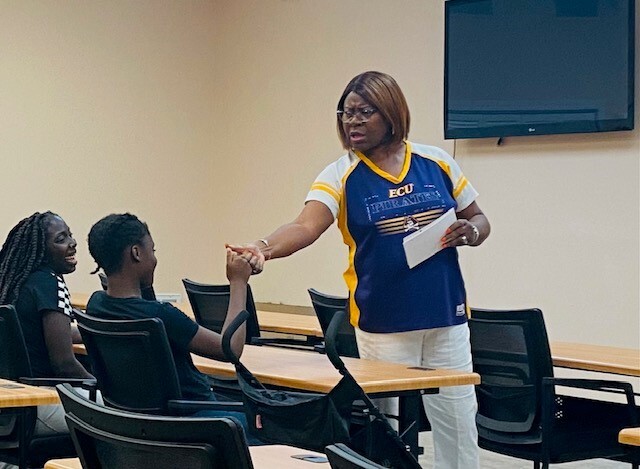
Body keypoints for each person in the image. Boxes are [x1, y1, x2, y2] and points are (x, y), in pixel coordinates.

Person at [229, 71, 490, 469]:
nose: (352, 122)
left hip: (445, 317)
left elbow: (480, 219)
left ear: (391, 114)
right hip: (383, 324)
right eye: (346, 113)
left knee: (457, 425)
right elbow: (304, 226)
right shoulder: (340, 173)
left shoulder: (436, 161)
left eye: (364, 112)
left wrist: (470, 231)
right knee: (383, 434)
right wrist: (263, 248)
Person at [85, 213, 261, 443]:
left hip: (137, 425)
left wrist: (145, 280)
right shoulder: (162, 315)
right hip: (191, 420)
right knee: (270, 427)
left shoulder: (96, 304)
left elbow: (141, 305)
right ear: (136, 253)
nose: (155, 259)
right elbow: (229, 349)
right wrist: (238, 282)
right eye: (153, 251)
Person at [0, 211, 93, 437]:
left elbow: (45, 334)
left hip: (11, 409)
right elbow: (64, 365)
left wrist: (94, 332)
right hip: (40, 404)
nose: (72, 243)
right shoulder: (51, 283)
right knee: (125, 412)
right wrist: (100, 386)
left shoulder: (15, 284)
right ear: (40, 250)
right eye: (60, 239)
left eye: (70, 236)